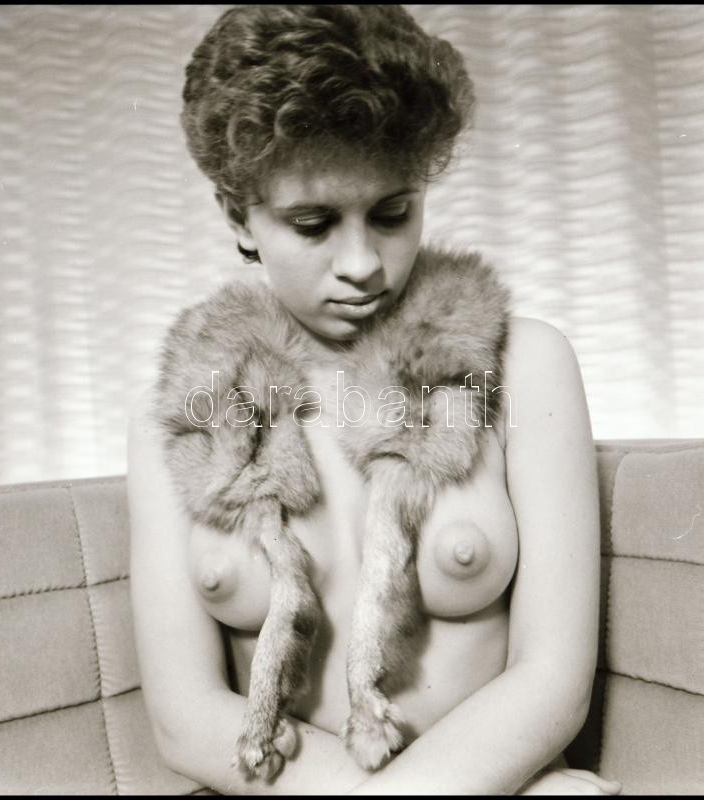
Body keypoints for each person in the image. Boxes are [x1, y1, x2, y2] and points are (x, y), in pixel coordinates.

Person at [127, 5, 621, 795]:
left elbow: (554, 680)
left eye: (393, 212)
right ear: (239, 217)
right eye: (313, 224)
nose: (362, 263)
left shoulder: (524, 364)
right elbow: (185, 720)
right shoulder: (186, 409)